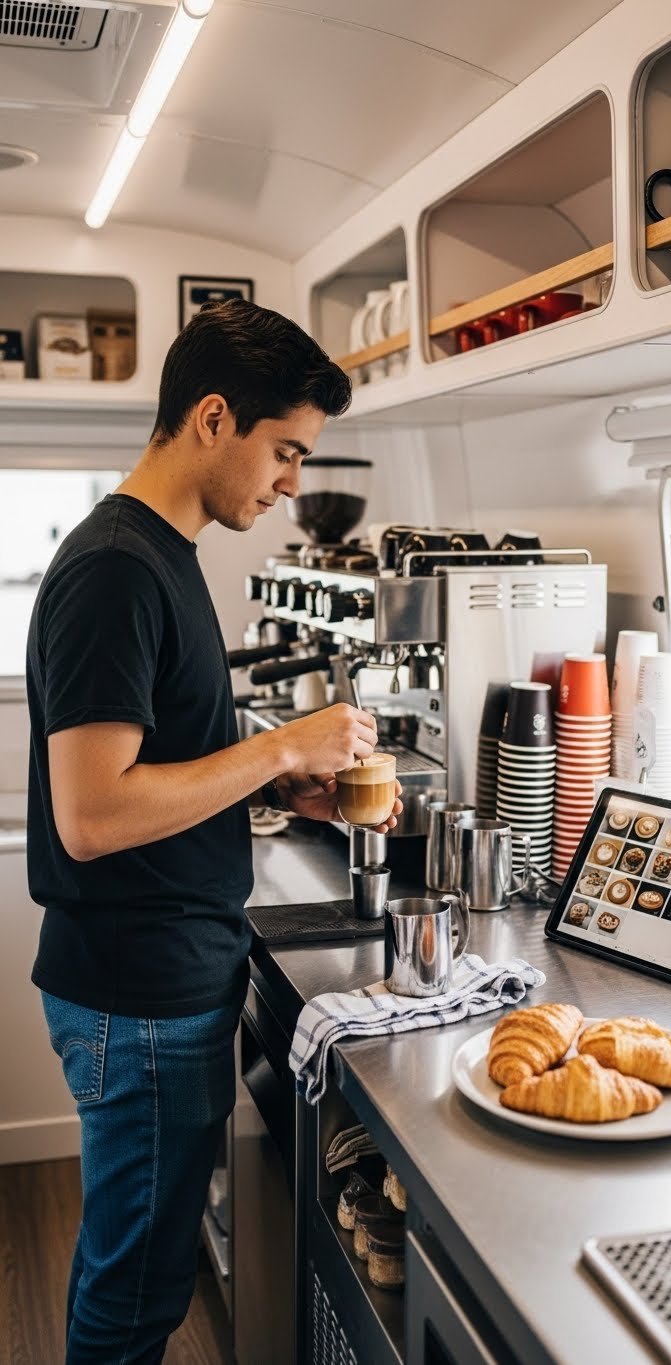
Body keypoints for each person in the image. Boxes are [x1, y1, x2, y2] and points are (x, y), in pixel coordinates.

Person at [26, 298, 402, 1363]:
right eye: (285, 450)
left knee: (143, 1278)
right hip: (135, 995)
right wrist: (282, 748)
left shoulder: (164, 554)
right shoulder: (116, 570)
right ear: (211, 419)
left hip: (161, 977)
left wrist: (280, 792)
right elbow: (94, 815)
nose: (291, 482)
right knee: (135, 1295)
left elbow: (161, 768)